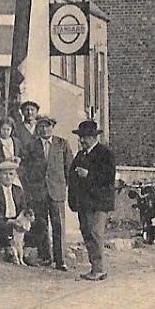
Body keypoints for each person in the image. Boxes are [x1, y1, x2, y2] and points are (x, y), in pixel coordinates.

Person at [69, 118, 117, 280]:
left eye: (85, 137)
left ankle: (99, 268)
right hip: (84, 202)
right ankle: (95, 267)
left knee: (96, 232)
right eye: (80, 137)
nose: (82, 140)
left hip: (99, 201)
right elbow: (72, 176)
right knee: (87, 233)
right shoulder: (80, 155)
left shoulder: (105, 153)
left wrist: (88, 174)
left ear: (94, 137)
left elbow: (108, 177)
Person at [33, 115, 72, 270]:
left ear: (53, 127)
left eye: (47, 126)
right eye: (41, 126)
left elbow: (69, 167)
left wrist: (65, 186)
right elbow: (27, 169)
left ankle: (60, 259)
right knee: (41, 224)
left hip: (57, 191)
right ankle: (45, 257)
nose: (44, 129)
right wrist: (31, 186)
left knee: (58, 225)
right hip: (39, 191)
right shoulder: (32, 146)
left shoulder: (62, 144)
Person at [0, 157, 34, 264]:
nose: (8, 177)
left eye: (11, 174)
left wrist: (28, 217)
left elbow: (24, 207)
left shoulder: (18, 190)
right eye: (5, 174)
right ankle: (7, 250)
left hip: (17, 221)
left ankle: (27, 252)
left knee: (40, 224)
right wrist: (10, 222)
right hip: (3, 220)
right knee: (1, 225)